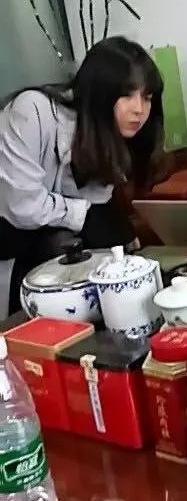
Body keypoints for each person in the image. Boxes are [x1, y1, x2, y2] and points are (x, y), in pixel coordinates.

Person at [0, 36, 164, 312]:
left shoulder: (110, 136)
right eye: (126, 95)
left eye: (146, 97)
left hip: (43, 245)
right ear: (99, 92)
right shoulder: (32, 110)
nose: (139, 109)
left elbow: (94, 203)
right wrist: (86, 216)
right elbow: (24, 207)